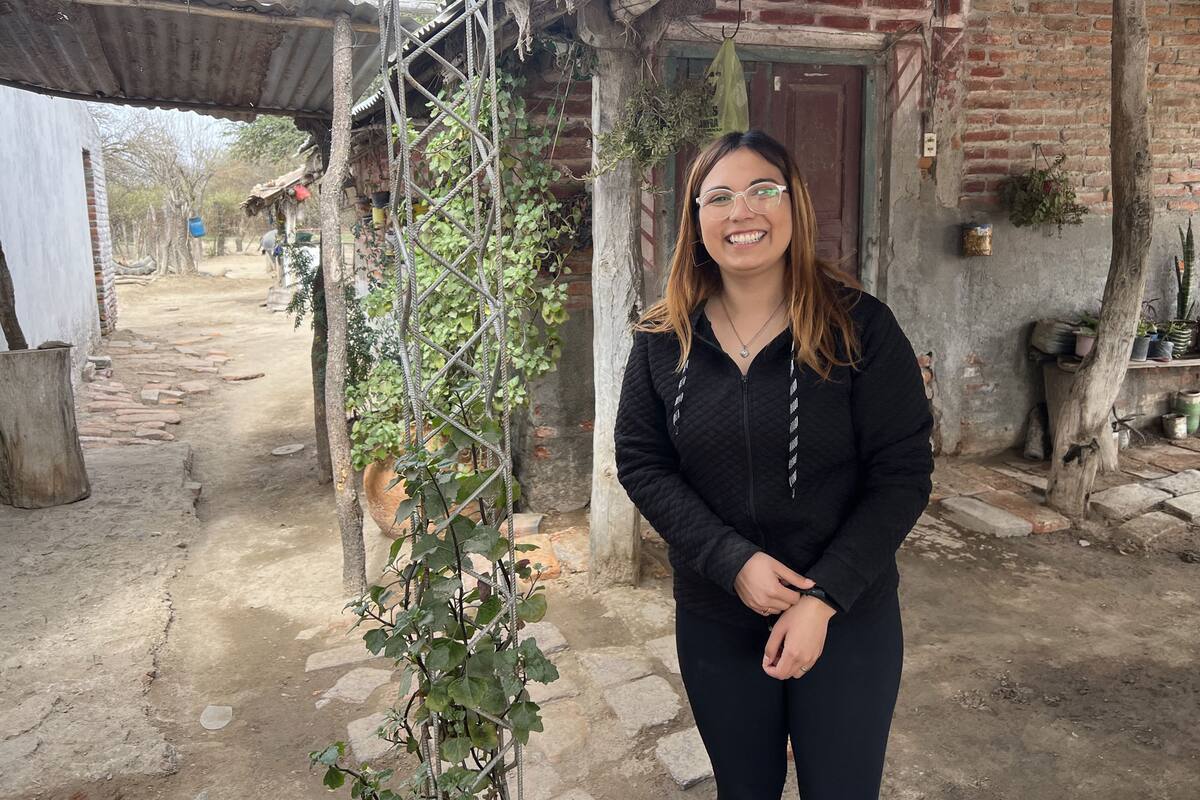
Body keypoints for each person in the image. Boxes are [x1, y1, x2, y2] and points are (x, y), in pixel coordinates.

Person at [613, 130, 934, 800]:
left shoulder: (861, 329)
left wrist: (821, 599)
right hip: (717, 614)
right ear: (696, 221)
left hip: (846, 616)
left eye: (763, 190)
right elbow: (641, 462)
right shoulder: (659, 339)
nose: (743, 212)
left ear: (795, 205)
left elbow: (901, 474)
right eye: (719, 197)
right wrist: (732, 561)